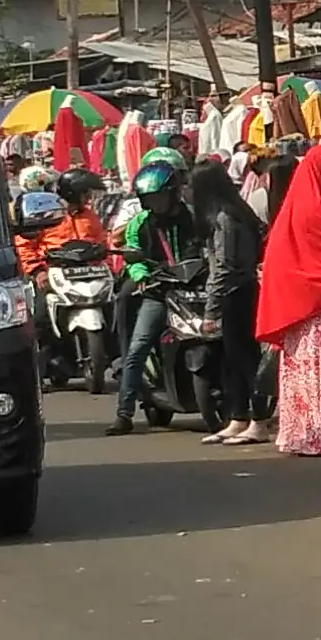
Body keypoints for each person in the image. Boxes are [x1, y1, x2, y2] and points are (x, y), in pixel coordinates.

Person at [256, 143, 321, 459]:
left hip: (302, 308)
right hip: (318, 309)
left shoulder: (300, 205)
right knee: (320, 370)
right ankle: (318, 433)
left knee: (304, 372)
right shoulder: (319, 209)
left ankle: (303, 432)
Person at [109, 157, 196, 434]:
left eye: (159, 197)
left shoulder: (194, 217)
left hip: (194, 291)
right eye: (150, 199)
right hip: (159, 292)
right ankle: (124, 412)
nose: (155, 204)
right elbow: (133, 256)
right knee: (137, 348)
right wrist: (142, 277)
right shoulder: (139, 224)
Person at [190, 157, 270, 445]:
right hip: (240, 289)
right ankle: (238, 418)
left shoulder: (225, 219)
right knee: (231, 361)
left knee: (245, 360)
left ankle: (257, 421)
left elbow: (223, 266)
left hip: (235, 292)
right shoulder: (236, 212)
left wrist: (211, 309)